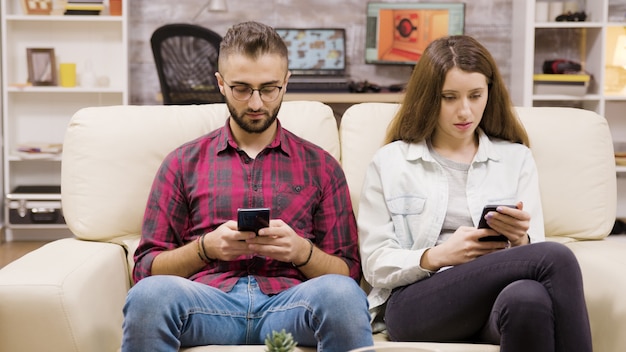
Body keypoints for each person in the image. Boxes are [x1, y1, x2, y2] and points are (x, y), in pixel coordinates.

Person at [121, 21, 373, 352]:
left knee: (343, 296)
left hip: (290, 305)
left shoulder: (321, 166)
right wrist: (206, 248)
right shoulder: (182, 163)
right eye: (242, 88)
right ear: (221, 84)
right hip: (207, 304)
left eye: (269, 89)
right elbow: (145, 268)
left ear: (286, 83)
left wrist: (301, 252)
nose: (256, 104)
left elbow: (348, 271)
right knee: (147, 297)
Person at [357, 35, 592, 352]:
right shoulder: (392, 161)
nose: (464, 111)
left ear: (489, 94)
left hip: (491, 302)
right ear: (429, 98)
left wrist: (520, 241)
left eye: (475, 95)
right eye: (449, 97)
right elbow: (374, 263)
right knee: (556, 256)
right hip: (416, 304)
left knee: (528, 298)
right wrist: (439, 256)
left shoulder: (515, 158)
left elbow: (532, 247)